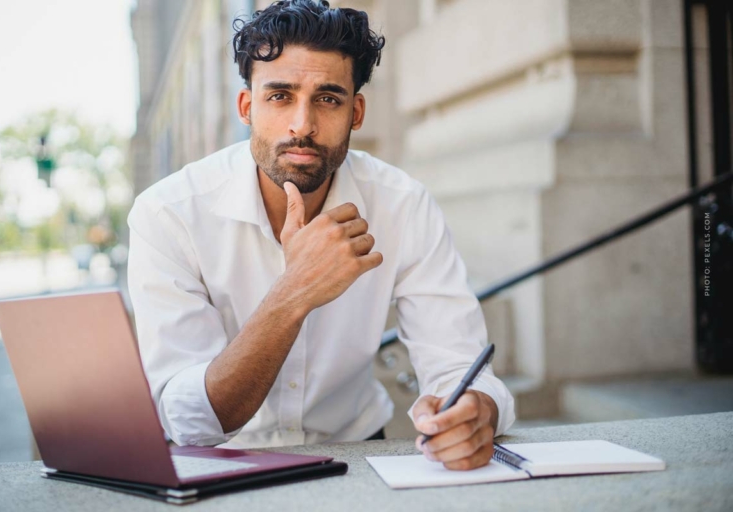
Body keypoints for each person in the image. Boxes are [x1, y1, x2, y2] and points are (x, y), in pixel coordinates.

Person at [127, 0, 515, 471]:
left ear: (356, 112)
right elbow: (191, 420)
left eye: (328, 98)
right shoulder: (169, 213)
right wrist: (294, 292)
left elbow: (459, 363)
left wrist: (476, 413)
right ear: (247, 107)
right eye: (280, 96)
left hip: (357, 454)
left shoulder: (402, 204)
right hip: (221, 465)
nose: (303, 125)